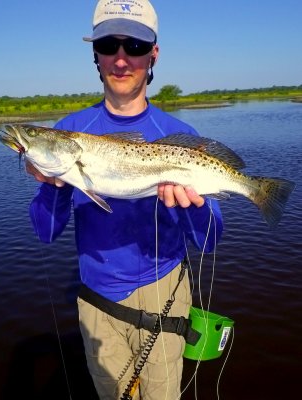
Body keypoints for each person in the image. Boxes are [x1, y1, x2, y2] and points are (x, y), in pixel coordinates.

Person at [26, 1, 223, 399]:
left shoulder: (178, 133)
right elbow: (45, 233)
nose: (120, 59)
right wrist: (54, 183)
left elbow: (210, 241)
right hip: (96, 300)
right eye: (108, 45)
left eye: (133, 46)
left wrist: (193, 208)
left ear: (153, 53)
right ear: (94, 55)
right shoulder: (69, 132)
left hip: (163, 293)